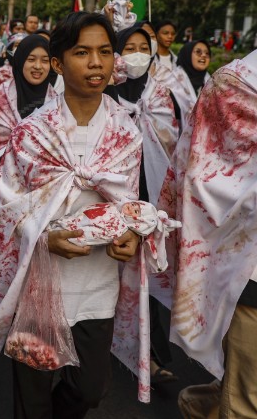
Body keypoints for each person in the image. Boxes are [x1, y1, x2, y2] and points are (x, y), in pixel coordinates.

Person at [0, 12, 166, 416]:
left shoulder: (124, 132)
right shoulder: (31, 132)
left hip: (97, 287)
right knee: (33, 395)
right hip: (40, 283)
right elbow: (6, 207)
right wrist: (44, 236)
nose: (96, 63)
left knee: (89, 390)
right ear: (59, 64)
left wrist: (132, 234)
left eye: (104, 52)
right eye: (82, 52)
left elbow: (127, 203)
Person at [164, 49, 257, 419]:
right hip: (247, 265)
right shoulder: (234, 86)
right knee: (248, 401)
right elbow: (204, 176)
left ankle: (206, 404)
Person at [0, 34, 57, 325]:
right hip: (2, 191)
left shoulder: (59, 102)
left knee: (32, 248)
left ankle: (25, 305)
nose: (38, 66)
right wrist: (14, 151)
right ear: (20, 62)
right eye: (31, 59)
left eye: (44, 60)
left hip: (42, 192)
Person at [113, 26, 180, 386]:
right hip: (111, 198)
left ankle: (152, 357)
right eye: (129, 48)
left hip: (149, 195)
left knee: (146, 275)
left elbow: (171, 141)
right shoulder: (104, 93)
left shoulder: (160, 96)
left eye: (144, 48)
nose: (137, 54)